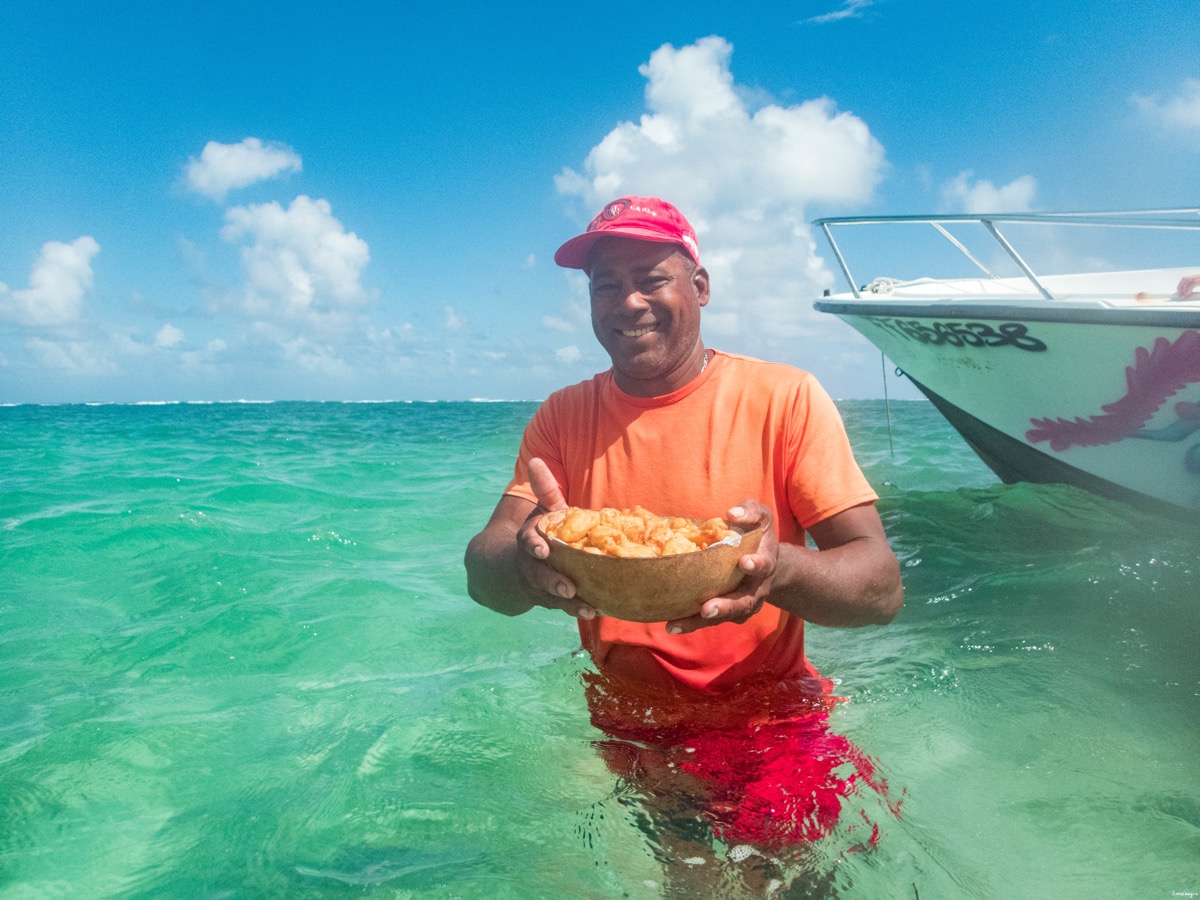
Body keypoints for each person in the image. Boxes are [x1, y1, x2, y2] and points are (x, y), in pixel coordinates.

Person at [464, 196, 904, 875]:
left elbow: (880, 587)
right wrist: (526, 567)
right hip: (629, 718)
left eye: (650, 277)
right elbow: (483, 571)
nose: (628, 301)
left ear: (699, 287)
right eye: (605, 285)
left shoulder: (782, 399)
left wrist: (774, 567)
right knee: (689, 880)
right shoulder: (562, 417)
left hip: (770, 715)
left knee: (786, 881)